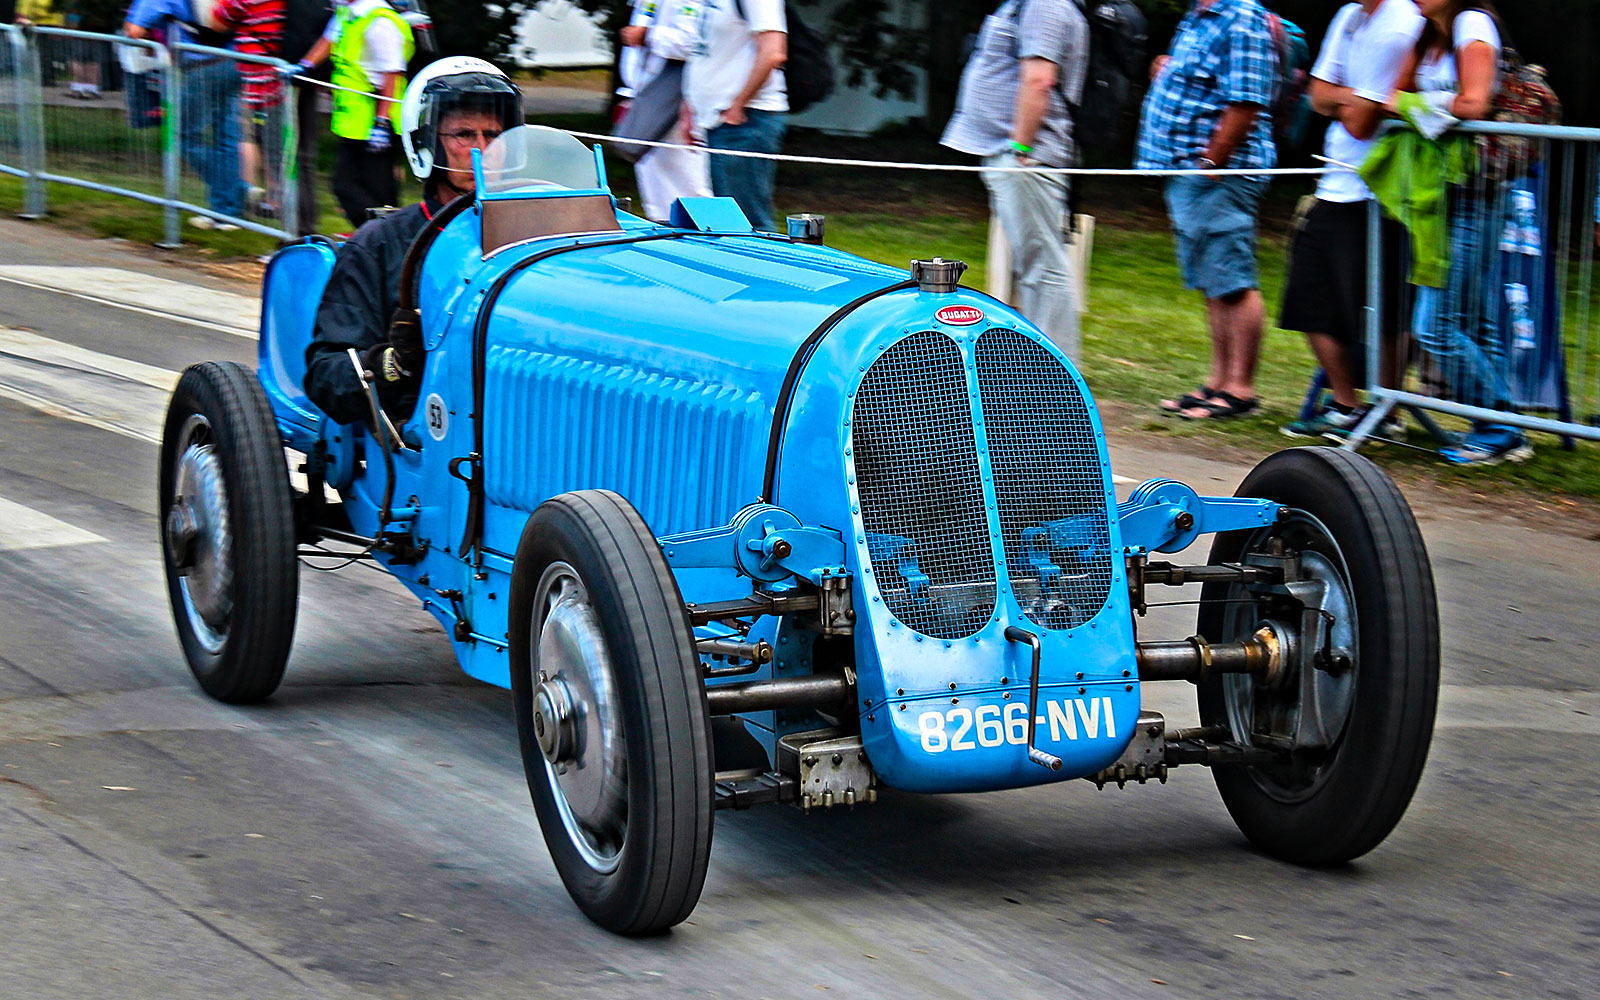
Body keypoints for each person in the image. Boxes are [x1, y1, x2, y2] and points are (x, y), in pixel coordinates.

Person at [304, 57, 522, 425]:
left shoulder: (535, 234)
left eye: (494, 135)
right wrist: (394, 362)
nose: (482, 149)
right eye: (464, 135)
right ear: (426, 143)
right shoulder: (379, 243)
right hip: (421, 432)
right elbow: (326, 376)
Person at [1385, 0, 1529, 465]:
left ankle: (1502, 423)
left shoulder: (1473, 22)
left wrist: (1415, 107)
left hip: (1479, 190)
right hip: (1446, 191)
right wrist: (1417, 102)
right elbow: (1395, 92)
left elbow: (1474, 103)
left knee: (1435, 324)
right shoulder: (1429, 32)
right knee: (1478, 321)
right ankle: (1501, 431)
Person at [1278, 0, 1423, 440]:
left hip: (1381, 186)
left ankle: (1387, 412)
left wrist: (1346, 100)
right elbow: (1317, 94)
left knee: (1388, 307)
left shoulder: (1404, 23)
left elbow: (1359, 122)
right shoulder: (1348, 16)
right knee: (1309, 297)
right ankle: (1346, 404)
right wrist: (1349, 97)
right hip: (1335, 182)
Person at [1137, 0, 1278, 420]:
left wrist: (1213, 162)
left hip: (1222, 172)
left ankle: (1240, 389)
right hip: (1190, 172)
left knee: (1233, 281)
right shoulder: (1200, 15)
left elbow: (1247, 102)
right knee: (1212, 282)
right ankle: (1217, 382)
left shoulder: (1243, 17)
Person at [941, 0, 1089, 360]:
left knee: (1043, 268)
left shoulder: (1045, 4)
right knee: (1032, 266)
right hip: (1014, 154)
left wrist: (1020, 147)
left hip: (1028, 157)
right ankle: (1034, 367)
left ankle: (1057, 378)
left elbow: (1040, 79)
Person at [124, 0, 250, 230]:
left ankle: (236, 192)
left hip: (200, 66)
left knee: (183, 135)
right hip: (237, 61)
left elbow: (134, 30)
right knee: (227, 137)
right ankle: (227, 213)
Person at [290, 0, 412, 228]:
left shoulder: (380, 21)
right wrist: (305, 66)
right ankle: (377, 237)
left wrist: (382, 123)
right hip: (355, 120)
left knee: (378, 194)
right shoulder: (348, 13)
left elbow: (392, 74)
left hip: (376, 119)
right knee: (345, 186)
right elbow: (329, 39)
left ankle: (388, 238)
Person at [685, 0, 787, 232]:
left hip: (746, 122)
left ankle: (760, 267)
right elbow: (705, 53)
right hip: (719, 120)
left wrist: (738, 105)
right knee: (729, 221)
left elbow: (773, 52)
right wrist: (690, 108)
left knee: (748, 223)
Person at [618, 0, 711, 222]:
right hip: (647, 98)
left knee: (689, 188)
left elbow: (693, 43)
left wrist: (648, 35)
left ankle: (704, 244)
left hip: (676, 102)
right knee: (656, 190)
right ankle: (666, 239)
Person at [215, 0, 287, 219]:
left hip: (257, 80)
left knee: (251, 139)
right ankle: (273, 200)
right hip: (276, 78)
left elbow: (219, 18)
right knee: (270, 143)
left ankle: (255, 198)